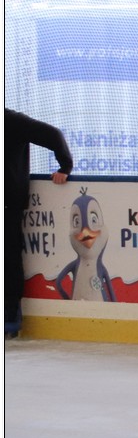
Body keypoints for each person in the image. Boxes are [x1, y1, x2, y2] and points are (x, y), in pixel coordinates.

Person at [5, 109, 73, 338]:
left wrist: (65, 166)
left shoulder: (10, 121)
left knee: (8, 257)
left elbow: (52, 135)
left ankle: (10, 314)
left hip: (7, 204)